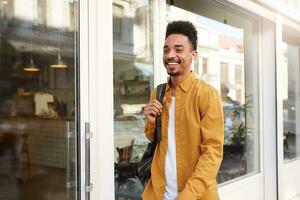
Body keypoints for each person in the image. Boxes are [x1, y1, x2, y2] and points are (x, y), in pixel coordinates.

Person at [142, 21, 224, 200]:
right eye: (166, 50)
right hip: (158, 193)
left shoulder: (207, 95)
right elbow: (155, 139)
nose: (170, 55)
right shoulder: (159, 92)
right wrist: (150, 122)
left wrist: (187, 195)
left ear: (193, 55)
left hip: (196, 195)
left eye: (178, 50)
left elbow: (212, 153)